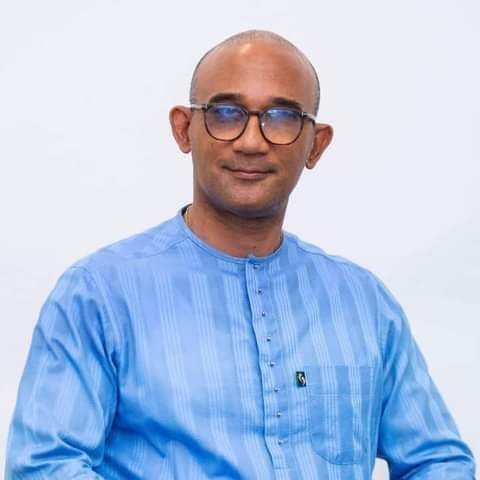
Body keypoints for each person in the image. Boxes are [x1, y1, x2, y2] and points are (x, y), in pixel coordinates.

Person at [5, 30, 475, 480]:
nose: (252, 141)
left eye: (282, 117)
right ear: (184, 129)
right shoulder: (101, 295)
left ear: (316, 144)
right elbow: (43, 467)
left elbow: (437, 462)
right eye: (226, 113)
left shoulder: (363, 304)